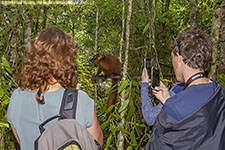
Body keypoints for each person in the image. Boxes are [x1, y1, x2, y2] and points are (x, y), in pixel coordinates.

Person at [6, 26, 103, 150]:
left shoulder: (16, 98)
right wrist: (75, 99)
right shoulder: (80, 100)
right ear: (68, 61)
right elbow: (97, 143)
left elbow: (23, 142)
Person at [141, 28, 225, 149]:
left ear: (180, 59)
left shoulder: (174, 107)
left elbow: (156, 145)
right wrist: (168, 100)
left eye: (173, 57)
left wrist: (170, 104)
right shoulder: (220, 92)